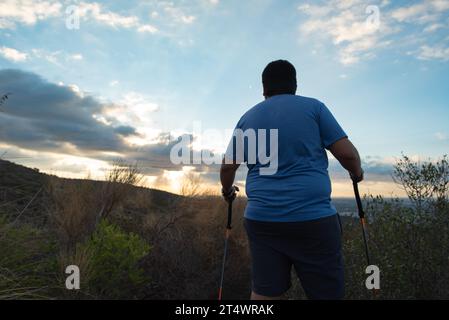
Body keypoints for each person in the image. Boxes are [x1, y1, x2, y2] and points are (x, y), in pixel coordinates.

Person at [220, 60, 363, 300]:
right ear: (295, 85)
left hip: (262, 220)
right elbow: (347, 154)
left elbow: (227, 168)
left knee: (264, 293)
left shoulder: (247, 118)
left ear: (264, 89)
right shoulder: (314, 108)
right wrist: (356, 173)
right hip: (313, 220)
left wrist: (227, 192)